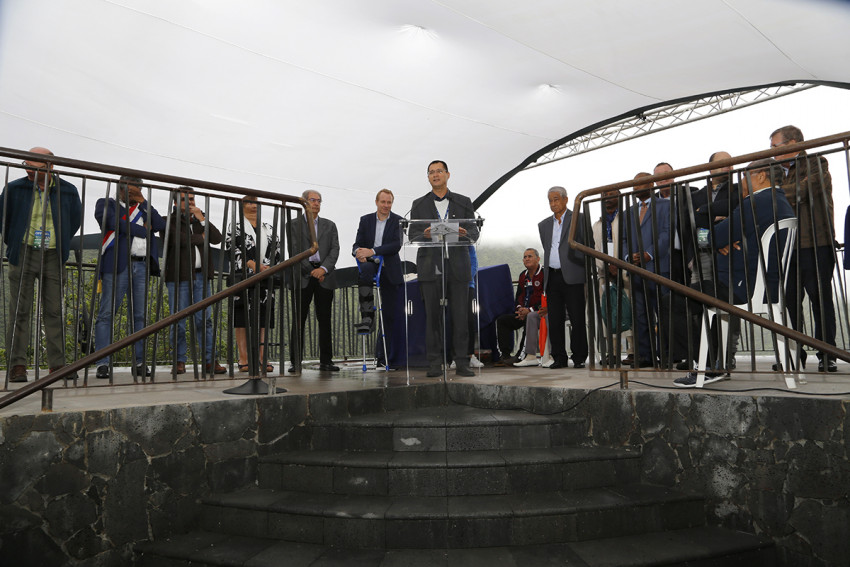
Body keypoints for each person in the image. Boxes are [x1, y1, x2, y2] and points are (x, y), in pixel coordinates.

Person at [674, 158, 795, 387]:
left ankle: (707, 368)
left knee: (676, 299)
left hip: (747, 289)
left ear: (761, 176)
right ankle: (714, 365)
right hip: (771, 286)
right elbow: (736, 232)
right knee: (706, 294)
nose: (742, 181)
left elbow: (710, 238)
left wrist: (705, 233)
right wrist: (729, 230)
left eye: (745, 175)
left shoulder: (755, 202)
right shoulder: (780, 200)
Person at [0, 147, 82, 383]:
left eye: (35, 168)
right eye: (27, 166)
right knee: (19, 311)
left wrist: (61, 241)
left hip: (54, 254)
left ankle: (57, 366)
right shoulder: (14, 188)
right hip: (23, 251)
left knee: (55, 311)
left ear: (50, 167)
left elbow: (74, 220)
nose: (30, 172)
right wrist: (15, 240)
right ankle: (17, 365)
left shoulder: (68, 190)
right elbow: (3, 217)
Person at [770, 125, 837, 372]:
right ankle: (795, 353)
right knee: (788, 302)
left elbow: (804, 190)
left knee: (820, 300)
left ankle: (827, 353)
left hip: (816, 242)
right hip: (786, 247)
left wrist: (774, 194)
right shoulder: (773, 171)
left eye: (775, 147)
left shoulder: (817, 163)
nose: (772, 153)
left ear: (794, 143)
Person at [408, 160, 479, 377]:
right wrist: (426, 234)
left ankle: (462, 362)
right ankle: (435, 362)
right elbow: (412, 235)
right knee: (432, 318)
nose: (435, 175)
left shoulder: (463, 201)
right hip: (430, 268)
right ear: (428, 177)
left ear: (448, 174)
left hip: (458, 266)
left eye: (439, 171)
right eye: (431, 172)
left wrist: (466, 234)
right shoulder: (418, 204)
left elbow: (474, 233)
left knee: (460, 317)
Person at [94, 176, 165, 379]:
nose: (135, 191)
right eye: (132, 188)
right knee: (107, 313)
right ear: (122, 188)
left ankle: (140, 362)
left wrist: (143, 201)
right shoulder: (107, 203)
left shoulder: (144, 208)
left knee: (140, 316)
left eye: (138, 187)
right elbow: (111, 222)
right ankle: (102, 362)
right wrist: (143, 230)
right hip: (117, 265)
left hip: (142, 265)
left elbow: (159, 224)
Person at [676, 151, 741, 372]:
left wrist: (708, 219)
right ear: (710, 168)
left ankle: (727, 355)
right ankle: (700, 355)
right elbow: (691, 225)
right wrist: (710, 237)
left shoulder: (738, 190)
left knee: (727, 305)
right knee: (697, 305)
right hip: (702, 253)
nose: (727, 167)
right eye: (722, 163)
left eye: (730, 163)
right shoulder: (696, 195)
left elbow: (736, 217)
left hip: (728, 254)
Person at [163, 188, 226, 376]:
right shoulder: (170, 221)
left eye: (192, 199)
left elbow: (217, 238)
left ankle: (210, 361)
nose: (190, 202)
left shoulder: (199, 220)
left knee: (204, 320)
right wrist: (201, 238)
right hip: (179, 277)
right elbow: (179, 240)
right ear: (175, 203)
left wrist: (202, 218)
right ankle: (179, 361)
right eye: (185, 200)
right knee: (178, 320)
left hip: (201, 276)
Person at [226, 196, 281, 374]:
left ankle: (262, 356)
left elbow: (278, 251)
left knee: (264, 318)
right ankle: (244, 358)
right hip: (243, 276)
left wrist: (269, 267)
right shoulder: (234, 226)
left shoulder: (269, 228)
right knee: (242, 318)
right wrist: (251, 264)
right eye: (249, 202)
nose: (253, 205)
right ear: (242, 206)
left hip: (266, 276)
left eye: (256, 202)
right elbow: (232, 249)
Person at [287, 190, 340, 372]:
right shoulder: (293, 225)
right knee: (298, 319)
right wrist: (312, 271)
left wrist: (323, 269)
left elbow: (335, 250)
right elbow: (294, 251)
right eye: (312, 200)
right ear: (304, 203)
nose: (316, 203)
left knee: (325, 320)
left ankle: (326, 361)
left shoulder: (330, 225)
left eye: (319, 201)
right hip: (303, 276)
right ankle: (296, 362)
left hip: (325, 276)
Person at [622, 173, 670, 368]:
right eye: (633, 185)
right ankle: (644, 356)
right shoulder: (628, 212)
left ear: (651, 184)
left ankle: (666, 355)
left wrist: (648, 254)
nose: (636, 188)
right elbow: (624, 239)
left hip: (659, 267)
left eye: (639, 184)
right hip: (636, 270)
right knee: (641, 314)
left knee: (663, 312)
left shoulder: (665, 205)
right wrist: (627, 257)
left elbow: (666, 233)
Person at [538, 186, 588, 369]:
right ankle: (559, 357)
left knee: (577, 317)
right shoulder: (543, 225)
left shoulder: (579, 218)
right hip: (552, 276)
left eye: (556, 199)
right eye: (550, 200)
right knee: (555, 319)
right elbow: (547, 247)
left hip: (573, 275)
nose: (553, 204)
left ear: (566, 200)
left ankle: (579, 356)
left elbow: (586, 245)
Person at [352, 188, 403, 367]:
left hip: (390, 269)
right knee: (364, 270)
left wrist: (373, 250)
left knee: (390, 316)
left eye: (389, 202)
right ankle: (367, 315)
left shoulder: (398, 221)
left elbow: (396, 245)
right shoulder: (365, 220)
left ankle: (385, 358)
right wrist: (358, 252)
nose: (386, 206)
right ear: (376, 202)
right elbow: (357, 243)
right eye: (383, 202)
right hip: (370, 265)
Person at [591, 188, 627, 366]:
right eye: (604, 195)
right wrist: (605, 266)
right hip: (604, 272)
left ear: (619, 197)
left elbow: (629, 242)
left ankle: (633, 351)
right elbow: (595, 249)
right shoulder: (597, 224)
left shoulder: (626, 218)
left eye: (611, 194)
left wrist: (619, 266)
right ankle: (612, 352)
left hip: (625, 271)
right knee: (607, 312)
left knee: (628, 309)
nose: (607, 198)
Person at [494, 248, 545, 367]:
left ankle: (521, 356)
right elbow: (519, 295)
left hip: (539, 312)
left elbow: (546, 296)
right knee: (502, 320)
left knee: (530, 318)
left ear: (538, 259)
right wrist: (520, 309)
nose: (527, 259)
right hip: (524, 312)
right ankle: (505, 355)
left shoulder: (544, 273)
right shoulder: (523, 275)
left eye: (530, 256)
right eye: (525, 257)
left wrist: (530, 310)